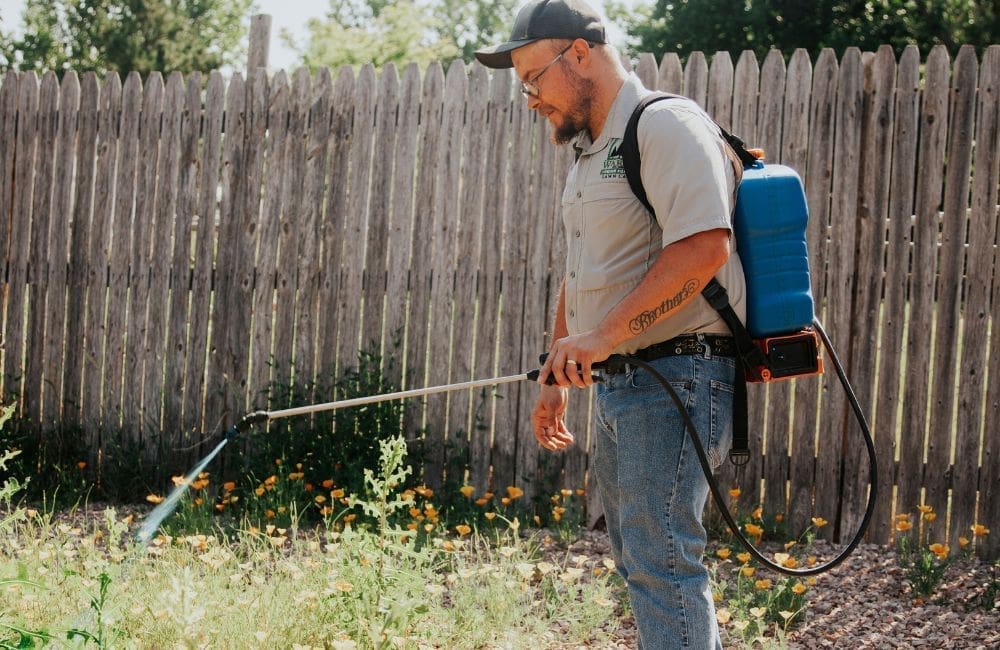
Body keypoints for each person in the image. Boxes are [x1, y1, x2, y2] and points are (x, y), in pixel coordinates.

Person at [476, 1, 747, 648]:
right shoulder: (590, 154)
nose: (529, 98)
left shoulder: (666, 125)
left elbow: (704, 246)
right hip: (623, 382)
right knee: (639, 562)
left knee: (663, 565)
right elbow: (587, 271)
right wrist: (557, 369)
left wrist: (601, 338)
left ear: (579, 53)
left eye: (532, 79)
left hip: (678, 376)